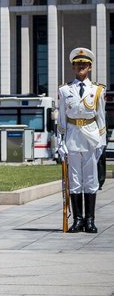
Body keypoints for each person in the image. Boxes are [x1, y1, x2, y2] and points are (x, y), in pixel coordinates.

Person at [57, 47, 106, 233]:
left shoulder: (98, 90)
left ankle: (90, 220)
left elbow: (101, 118)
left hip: (91, 137)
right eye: (77, 64)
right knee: (75, 180)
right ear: (73, 67)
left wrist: (102, 142)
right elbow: (61, 118)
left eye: (84, 64)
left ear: (90, 67)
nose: (81, 67)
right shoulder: (64, 90)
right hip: (72, 136)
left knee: (91, 180)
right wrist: (60, 142)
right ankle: (78, 220)